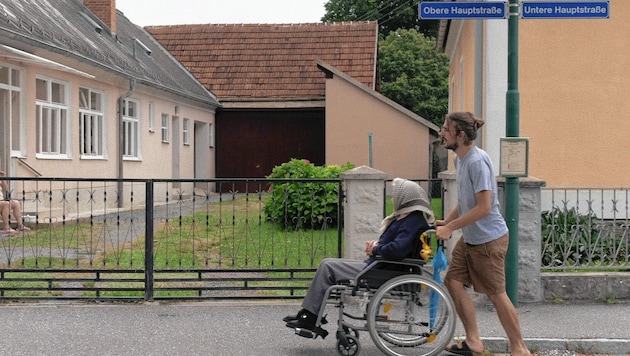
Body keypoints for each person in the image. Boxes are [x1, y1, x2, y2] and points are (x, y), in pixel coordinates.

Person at [284, 178, 435, 338]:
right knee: (327, 263)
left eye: (395, 196)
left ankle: (309, 316)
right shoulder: (407, 218)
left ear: (404, 198)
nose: (392, 199)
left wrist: (376, 248)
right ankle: (308, 314)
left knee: (327, 266)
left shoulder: (412, 221)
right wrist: (376, 245)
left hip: (383, 270)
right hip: (380, 266)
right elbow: (397, 245)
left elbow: (397, 250)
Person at [435, 112, 530, 356]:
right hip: (471, 239)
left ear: (462, 135)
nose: (442, 132)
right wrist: (448, 220)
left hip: (489, 240)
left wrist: (450, 229)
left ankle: (519, 349)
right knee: (453, 281)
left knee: (497, 295)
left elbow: (484, 207)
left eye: (447, 129)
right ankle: (474, 341)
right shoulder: (460, 160)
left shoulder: (477, 161)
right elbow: (468, 202)